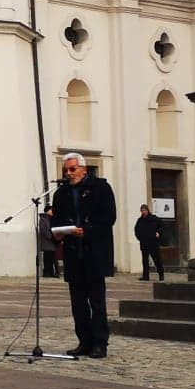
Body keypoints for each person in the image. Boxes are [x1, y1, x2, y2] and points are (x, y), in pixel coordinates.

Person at [50, 152, 116, 358]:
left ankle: (99, 343)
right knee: (77, 302)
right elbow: (56, 222)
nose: (69, 174)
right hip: (72, 253)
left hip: (94, 252)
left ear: (84, 169)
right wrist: (60, 232)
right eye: (66, 170)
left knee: (96, 301)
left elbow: (108, 218)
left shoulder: (101, 188)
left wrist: (86, 230)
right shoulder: (61, 194)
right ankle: (84, 341)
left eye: (73, 169)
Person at [133, 205, 166, 282]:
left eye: (145, 210)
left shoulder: (154, 219)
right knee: (145, 260)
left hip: (153, 243)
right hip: (144, 243)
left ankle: (161, 275)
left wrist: (159, 233)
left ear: (148, 210)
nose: (143, 212)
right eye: (142, 210)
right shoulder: (140, 220)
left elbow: (162, 226)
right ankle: (145, 276)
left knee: (157, 260)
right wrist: (139, 238)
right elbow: (136, 230)